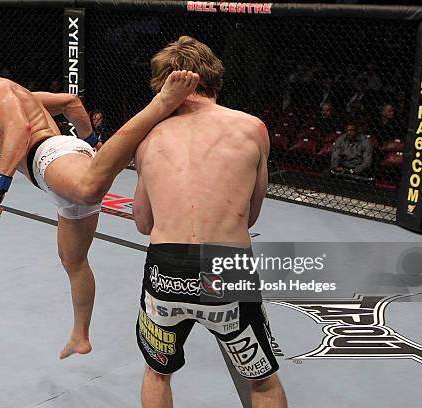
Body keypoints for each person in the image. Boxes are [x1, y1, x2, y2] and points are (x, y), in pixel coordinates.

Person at [0, 43, 198, 359]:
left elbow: (21, 131)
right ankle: (80, 336)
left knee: (90, 188)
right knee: (73, 261)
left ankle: (160, 106)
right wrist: (90, 141)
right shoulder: (13, 94)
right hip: (59, 171)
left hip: (53, 158)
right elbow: (70, 102)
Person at [131, 36, 287, 408]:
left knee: (157, 373)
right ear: (213, 77)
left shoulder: (146, 135)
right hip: (227, 265)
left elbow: (142, 221)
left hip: (165, 270)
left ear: (164, 85)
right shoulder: (253, 128)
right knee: (262, 381)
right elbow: (250, 215)